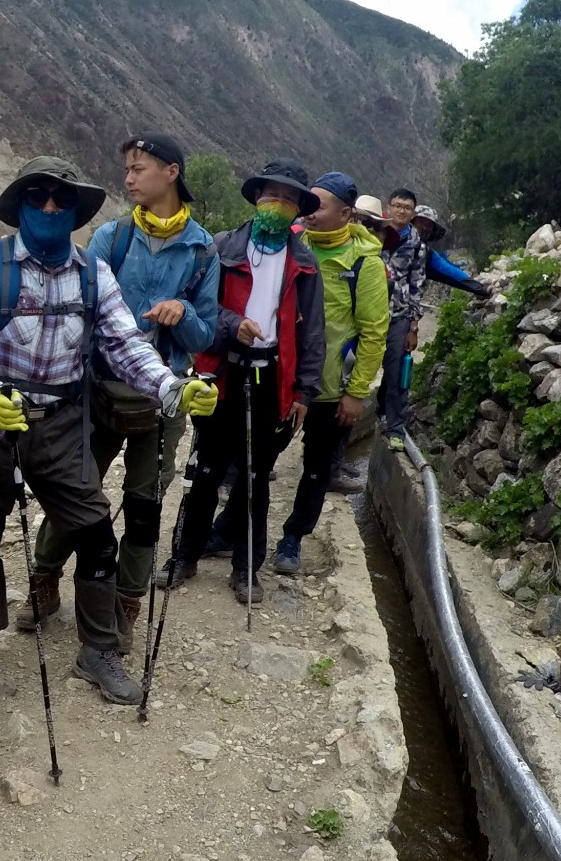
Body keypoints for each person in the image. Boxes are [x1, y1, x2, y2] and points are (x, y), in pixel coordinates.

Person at [0, 155, 219, 705]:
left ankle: (98, 650)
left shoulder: (94, 274)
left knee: (95, 536)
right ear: (19, 205)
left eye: (61, 199)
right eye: (38, 196)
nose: (49, 206)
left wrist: (171, 388)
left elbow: (124, 344)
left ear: (74, 211)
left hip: (64, 421)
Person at [24, 134, 218, 650]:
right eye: (127, 169)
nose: (129, 178)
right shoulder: (113, 238)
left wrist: (185, 313)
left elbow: (206, 335)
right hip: (99, 391)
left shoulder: (202, 250)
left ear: (171, 172)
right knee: (77, 489)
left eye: (139, 168)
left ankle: (126, 602)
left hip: (163, 397)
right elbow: (84, 312)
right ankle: (43, 582)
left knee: (144, 501)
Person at [174, 159, 325, 601]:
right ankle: (184, 555)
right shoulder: (223, 248)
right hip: (223, 372)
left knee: (256, 477)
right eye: (271, 195)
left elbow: (313, 330)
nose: (278, 204)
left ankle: (246, 569)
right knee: (205, 470)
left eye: (289, 198)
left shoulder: (304, 262)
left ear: (298, 208)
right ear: (257, 197)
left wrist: (304, 391)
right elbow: (198, 308)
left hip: (271, 375)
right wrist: (231, 324)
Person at [269, 172, 388, 572]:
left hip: (330, 388)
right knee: (258, 458)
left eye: (319, 204)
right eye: (309, 203)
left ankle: (293, 538)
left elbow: (373, 333)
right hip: (284, 380)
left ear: (346, 213)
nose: (310, 212)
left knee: (317, 468)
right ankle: (231, 525)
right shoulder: (294, 245)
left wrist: (355, 392)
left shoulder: (364, 264)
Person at [377, 188, 428, 450]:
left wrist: (414, 325)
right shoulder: (376, 233)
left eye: (407, 207)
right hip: (368, 315)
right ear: (388, 207)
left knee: (398, 373)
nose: (401, 211)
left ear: (412, 213)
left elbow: (417, 283)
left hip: (398, 316)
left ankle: (395, 428)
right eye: (397, 205)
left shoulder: (417, 244)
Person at [417, 205, 492, 298]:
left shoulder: (426, 254)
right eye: (420, 222)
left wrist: (481, 288)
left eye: (428, 225)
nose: (423, 228)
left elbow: (449, 271)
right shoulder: (395, 238)